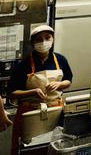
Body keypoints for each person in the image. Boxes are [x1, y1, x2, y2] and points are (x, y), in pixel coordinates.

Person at [8, 25, 73, 155]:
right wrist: (33, 92)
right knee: (30, 148)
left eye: (47, 38)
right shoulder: (23, 65)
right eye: (39, 39)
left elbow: (68, 81)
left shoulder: (60, 60)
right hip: (31, 113)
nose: (43, 42)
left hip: (55, 111)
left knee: (53, 146)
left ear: (53, 39)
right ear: (32, 43)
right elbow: (12, 94)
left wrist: (59, 84)